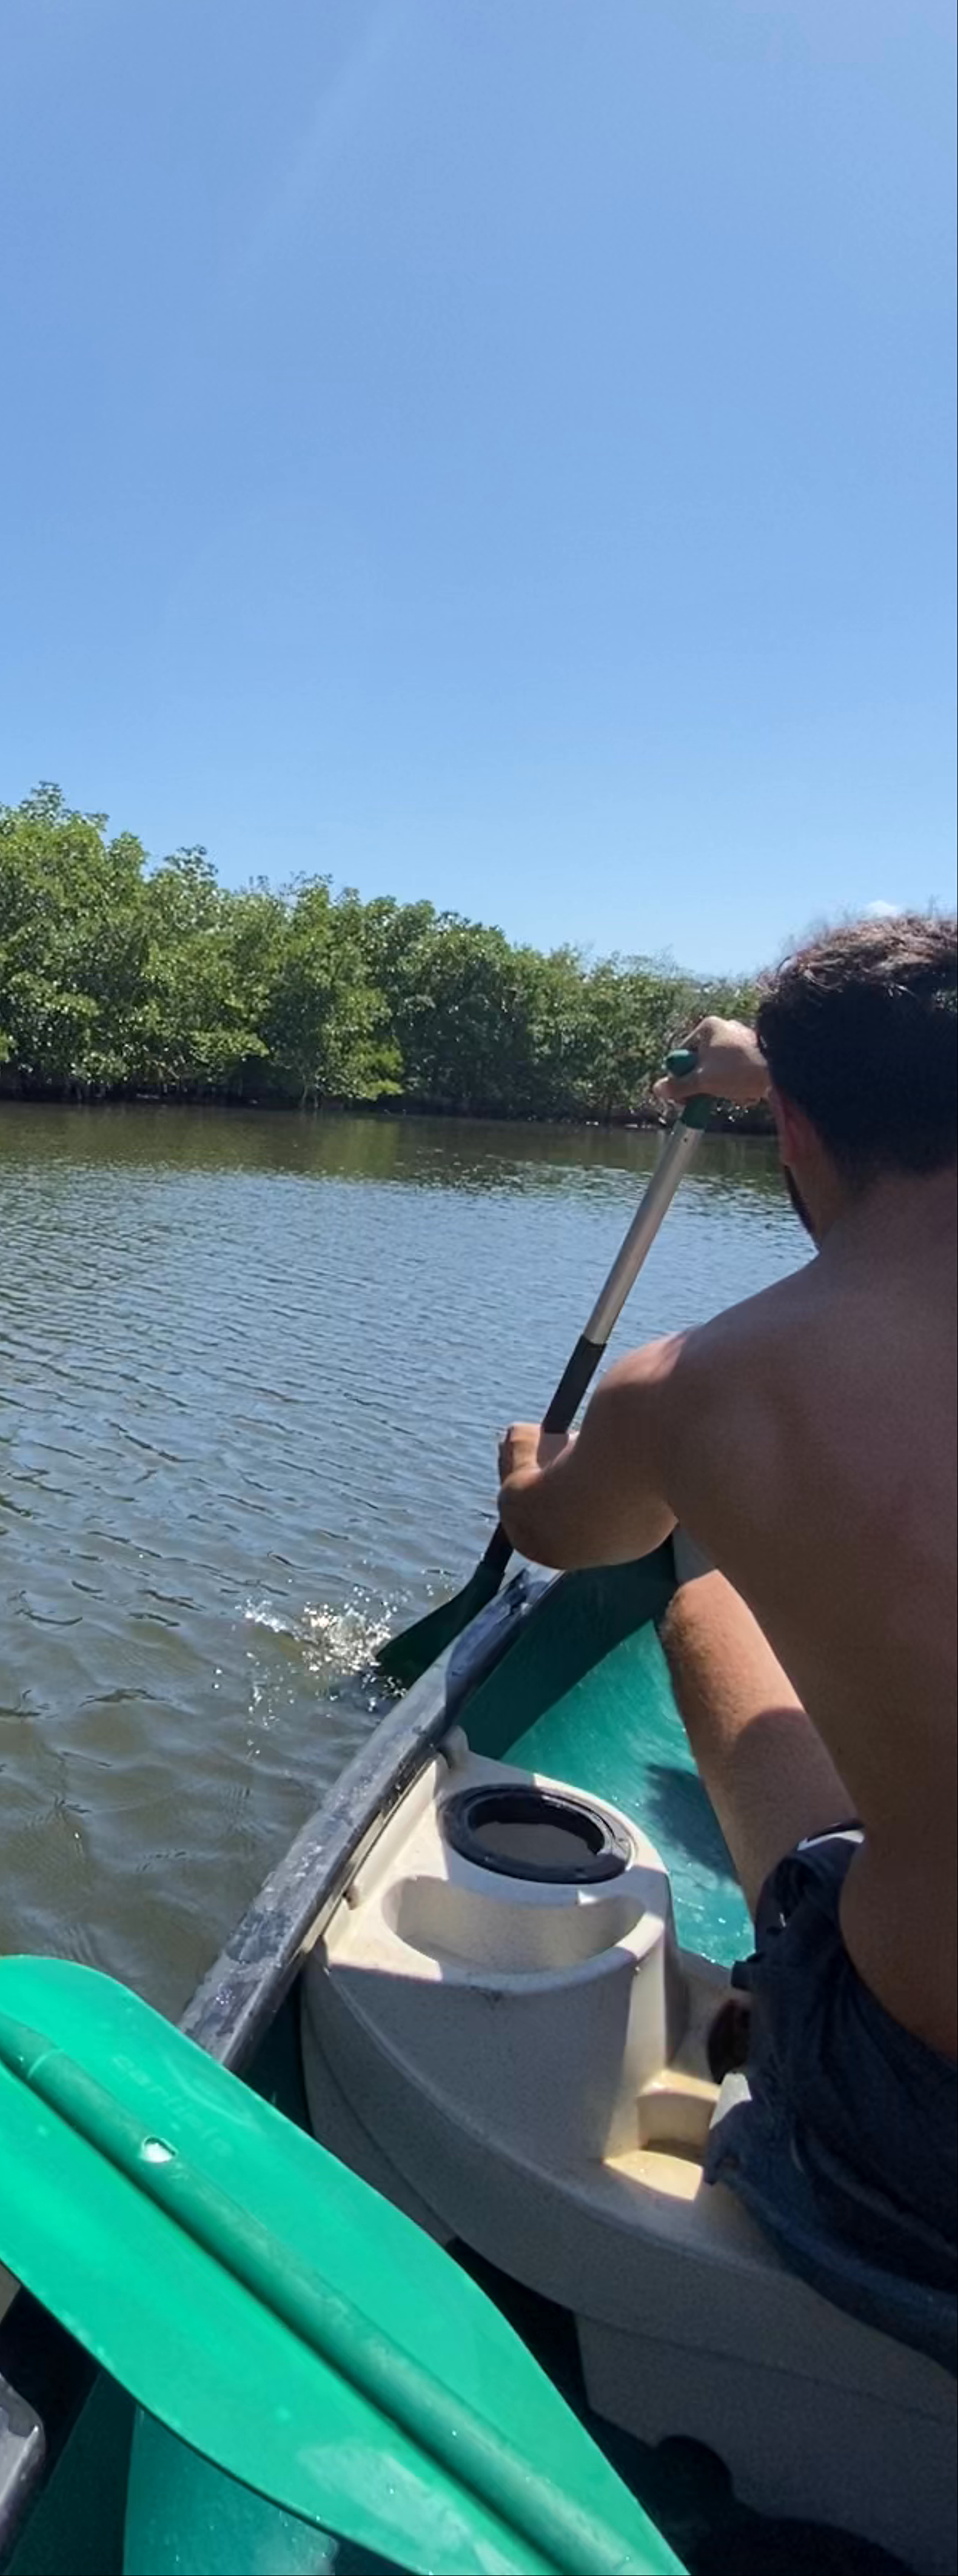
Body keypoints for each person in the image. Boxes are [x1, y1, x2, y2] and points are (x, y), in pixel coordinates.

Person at [495, 912, 956, 2370]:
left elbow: (567, 1539)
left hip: (916, 2140)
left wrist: (528, 1469)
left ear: (800, 1130)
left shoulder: (696, 1390)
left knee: (704, 1600)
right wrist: (782, 1068)